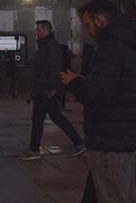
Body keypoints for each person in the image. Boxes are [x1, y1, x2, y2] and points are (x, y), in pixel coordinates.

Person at [61, 0, 136, 203]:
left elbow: (99, 94)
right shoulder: (131, 45)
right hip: (125, 134)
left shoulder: (110, 50)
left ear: (99, 20)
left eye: (88, 24)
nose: (87, 31)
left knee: (113, 195)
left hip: (111, 139)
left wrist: (75, 83)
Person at [18, 20, 85, 160]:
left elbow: (55, 68)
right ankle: (78, 142)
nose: (37, 32)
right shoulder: (46, 46)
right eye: (37, 29)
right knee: (56, 117)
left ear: (47, 31)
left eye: (39, 30)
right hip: (43, 89)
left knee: (38, 119)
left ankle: (34, 149)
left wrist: (52, 87)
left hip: (45, 90)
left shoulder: (50, 47)